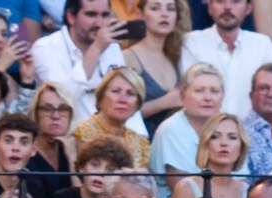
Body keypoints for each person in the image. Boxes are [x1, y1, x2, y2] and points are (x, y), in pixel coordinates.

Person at [32, 0, 142, 132]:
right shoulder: (44, 47)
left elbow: (125, 97)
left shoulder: (112, 47)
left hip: (110, 136)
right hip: (68, 136)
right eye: (91, 14)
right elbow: (61, 101)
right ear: (71, 17)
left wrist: (139, 134)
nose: (99, 23)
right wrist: (96, 49)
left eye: (105, 15)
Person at [183, 0, 272, 119]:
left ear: (248, 8)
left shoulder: (262, 45)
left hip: (253, 129)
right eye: (220, 1)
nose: (228, 7)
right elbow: (190, 94)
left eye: (236, 1)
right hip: (204, 128)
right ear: (210, 7)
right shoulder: (193, 43)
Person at [150, 63, 228, 198]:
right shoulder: (171, 129)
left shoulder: (230, 126)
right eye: (199, 91)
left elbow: (242, 182)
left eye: (214, 91)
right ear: (182, 96)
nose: (208, 98)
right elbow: (184, 188)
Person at [166, 113, 251, 198]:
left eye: (232, 137)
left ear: (241, 147)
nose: (224, 143)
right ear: (205, 144)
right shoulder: (187, 188)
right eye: (215, 136)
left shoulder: (248, 192)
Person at [120, 0, 186, 140]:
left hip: (172, 144)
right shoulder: (128, 57)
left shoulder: (176, 57)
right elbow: (119, 111)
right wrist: (163, 103)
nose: (164, 14)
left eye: (170, 9)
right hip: (140, 145)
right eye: (155, 8)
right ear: (140, 16)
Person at [72, 68, 152, 169]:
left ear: (137, 105)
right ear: (101, 98)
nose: (123, 100)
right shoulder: (79, 133)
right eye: (116, 91)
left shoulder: (141, 144)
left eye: (130, 94)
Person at [27, 83, 78, 198]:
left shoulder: (74, 148)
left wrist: (72, 159)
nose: (55, 116)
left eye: (63, 109)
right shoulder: (26, 151)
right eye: (47, 109)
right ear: (36, 113)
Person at [0, 114, 43, 198]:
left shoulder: (35, 190)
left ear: (34, 149)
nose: (16, 148)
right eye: (8, 141)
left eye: (24, 142)